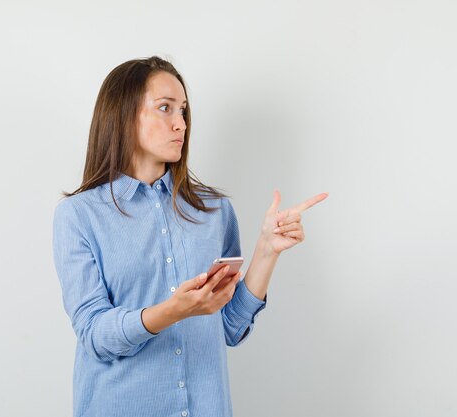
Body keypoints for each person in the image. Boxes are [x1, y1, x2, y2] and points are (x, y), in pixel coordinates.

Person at [52, 56, 328, 417]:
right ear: (122, 115)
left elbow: (229, 327)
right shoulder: (79, 215)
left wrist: (266, 251)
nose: (180, 124)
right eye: (165, 109)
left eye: (183, 111)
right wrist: (171, 312)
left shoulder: (213, 211)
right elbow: (94, 334)